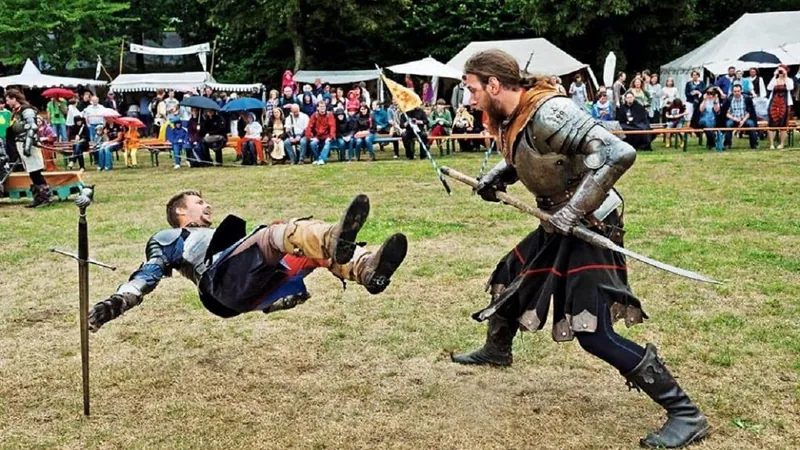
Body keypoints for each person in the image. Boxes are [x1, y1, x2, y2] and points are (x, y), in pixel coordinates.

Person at [452, 49, 709, 449]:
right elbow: (539, 156)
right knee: (511, 274)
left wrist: (572, 211)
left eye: (472, 89)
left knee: (593, 331)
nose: (469, 98)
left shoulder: (549, 112)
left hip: (590, 222)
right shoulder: (511, 115)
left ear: (495, 85)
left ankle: (685, 413)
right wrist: (497, 176)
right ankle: (497, 350)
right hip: (559, 220)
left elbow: (618, 153)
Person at [86, 193, 408, 334]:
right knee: (276, 234)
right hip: (219, 281)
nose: (207, 204)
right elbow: (151, 269)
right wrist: (121, 299)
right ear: (181, 213)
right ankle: (332, 240)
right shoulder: (171, 236)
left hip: (247, 295)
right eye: (198, 202)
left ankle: (368, 270)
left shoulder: (214, 238)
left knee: (306, 250)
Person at [4, 90, 53, 207]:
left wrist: (27, 145)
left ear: (14, 98)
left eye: (8, 99)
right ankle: (38, 198)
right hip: (20, 142)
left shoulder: (26, 110)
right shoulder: (16, 112)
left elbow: (32, 127)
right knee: (32, 172)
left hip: (28, 143)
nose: (6, 102)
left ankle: (46, 198)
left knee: (35, 172)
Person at [719, 84, 758, 150]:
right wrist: (735, 119)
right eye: (735, 91)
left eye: (738, 91)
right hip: (733, 119)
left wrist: (743, 121)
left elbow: (749, 112)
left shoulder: (747, 99)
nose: (736, 93)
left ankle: (754, 145)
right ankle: (727, 144)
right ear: (732, 92)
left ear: (741, 91)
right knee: (728, 124)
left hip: (745, 119)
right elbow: (726, 114)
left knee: (751, 124)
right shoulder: (729, 100)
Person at [766, 65, 794, 149]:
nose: (780, 72)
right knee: (772, 123)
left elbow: (790, 87)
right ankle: (771, 144)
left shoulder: (789, 80)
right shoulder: (775, 80)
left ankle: (782, 143)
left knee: (783, 124)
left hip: (784, 104)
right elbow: (769, 87)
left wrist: (785, 76)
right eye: (779, 71)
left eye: (782, 71)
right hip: (774, 104)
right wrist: (775, 76)